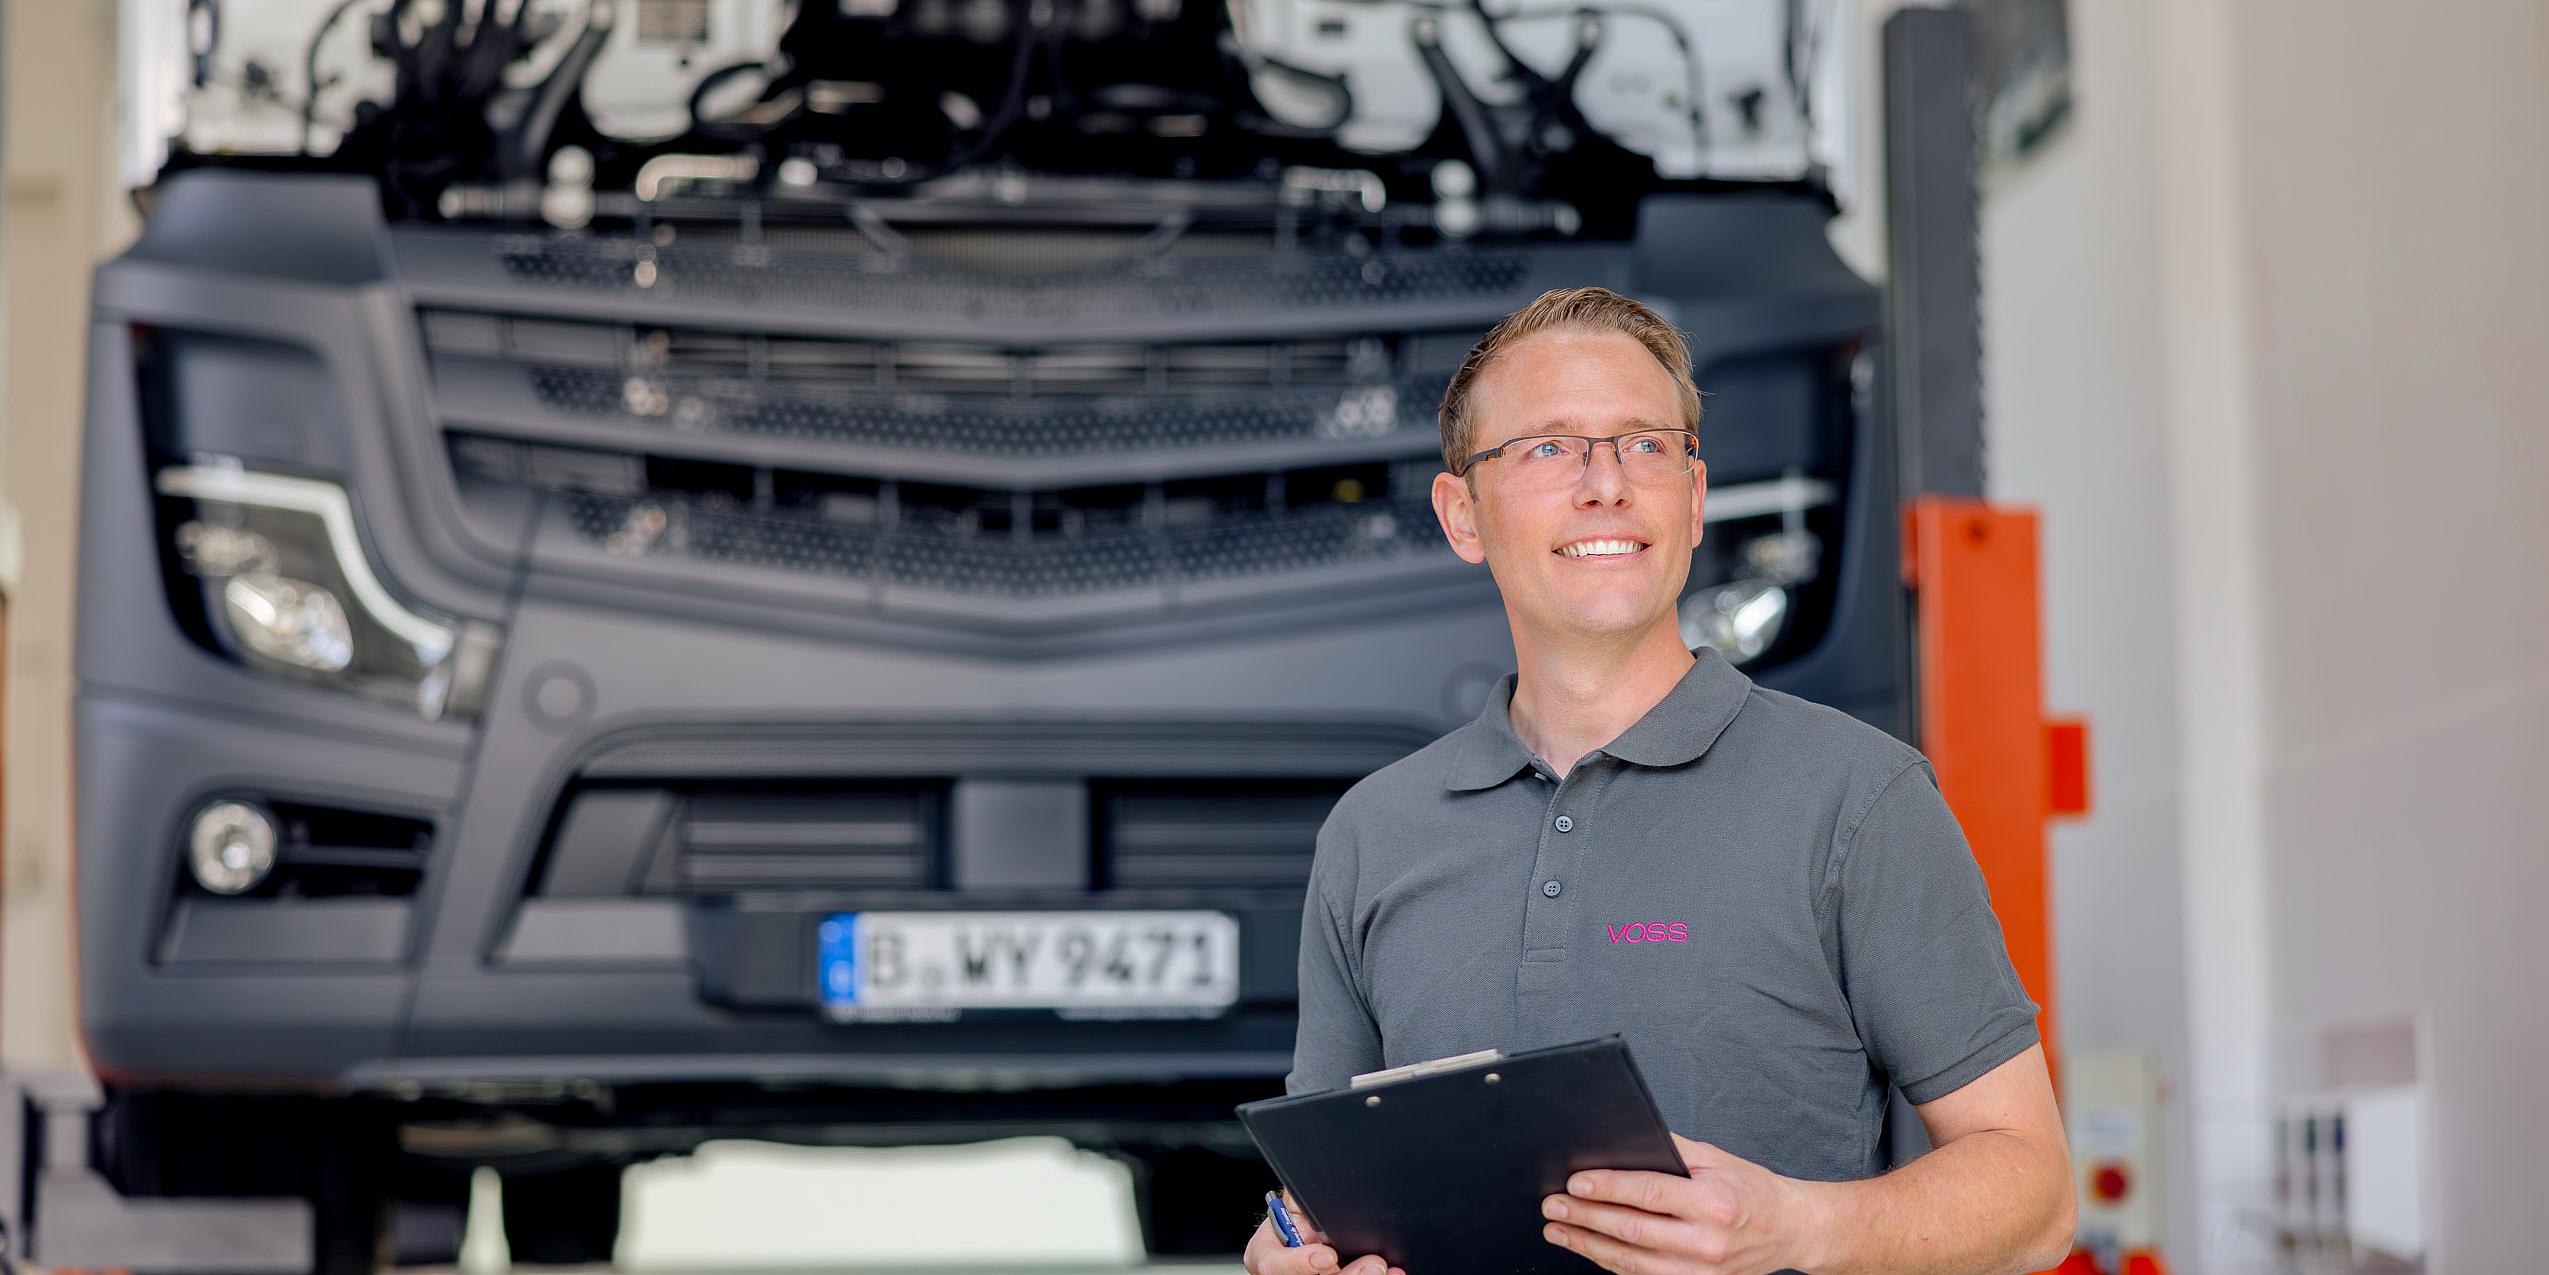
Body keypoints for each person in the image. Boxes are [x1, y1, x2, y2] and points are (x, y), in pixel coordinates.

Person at [1240, 288, 2075, 1275]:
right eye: (1549, 447)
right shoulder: (1372, 835)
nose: (1606, 484)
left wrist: (1798, 1227)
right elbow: (1314, 1205)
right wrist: (1283, 1253)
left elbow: (2035, 1192)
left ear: (1692, 497)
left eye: (1644, 444)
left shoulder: (1856, 798)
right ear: (1461, 513)